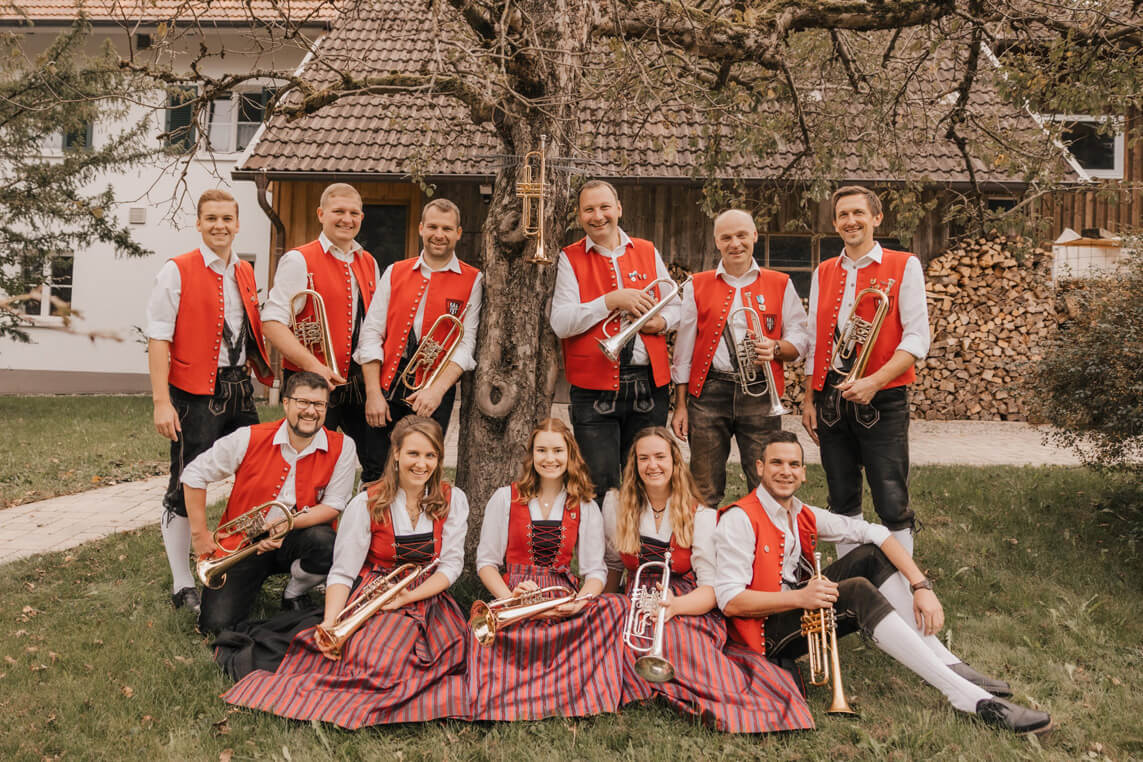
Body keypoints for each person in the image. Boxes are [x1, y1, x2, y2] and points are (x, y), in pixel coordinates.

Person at [713, 430, 1052, 735]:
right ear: (759, 467)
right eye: (776, 463)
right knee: (858, 590)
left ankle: (949, 663)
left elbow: (874, 532)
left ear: (803, 472)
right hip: (763, 635)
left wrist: (921, 586)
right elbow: (731, 601)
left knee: (871, 555)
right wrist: (801, 598)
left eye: (793, 464)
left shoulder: (800, 512)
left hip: (798, 603)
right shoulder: (740, 519)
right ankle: (965, 696)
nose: (785, 471)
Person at [222, 416, 470, 728]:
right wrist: (330, 623)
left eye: (430, 456)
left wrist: (409, 596)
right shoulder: (367, 502)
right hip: (374, 593)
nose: (422, 464)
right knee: (375, 660)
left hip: (429, 596)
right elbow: (342, 571)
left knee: (440, 661)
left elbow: (451, 564)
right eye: (413, 454)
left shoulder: (453, 500)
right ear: (396, 454)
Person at [603, 427, 815, 733]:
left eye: (661, 457)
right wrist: (607, 604)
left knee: (677, 641)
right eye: (644, 458)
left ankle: (734, 702)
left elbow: (711, 589)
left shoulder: (700, 514)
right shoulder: (615, 504)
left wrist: (674, 607)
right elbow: (613, 568)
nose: (653, 465)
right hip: (635, 597)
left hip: (686, 600)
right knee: (608, 627)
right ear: (634, 464)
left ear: (675, 462)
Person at [146, 189, 273, 613]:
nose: (220, 225)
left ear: (237, 224)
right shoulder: (176, 270)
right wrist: (162, 402)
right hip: (194, 393)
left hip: (239, 387)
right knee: (185, 482)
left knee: (255, 474)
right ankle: (183, 583)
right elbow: (158, 338)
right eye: (211, 218)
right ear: (199, 223)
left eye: (227, 218)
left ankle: (237, 564)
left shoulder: (246, 272)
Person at [468, 418, 627, 720]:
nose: (550, 458)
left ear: (570, 455)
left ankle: (561, 693)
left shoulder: (584, 505)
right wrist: (511, 599)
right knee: (481, 632)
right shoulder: (505, 498)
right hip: (514, 595)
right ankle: (555, 691)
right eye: (541, 450)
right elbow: (486, 563)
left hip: (561, 598)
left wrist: (580, 601)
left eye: (558, 450)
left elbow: (595, 571)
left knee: (615, 606)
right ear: (531, 455)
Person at [802, 186, 929, 556]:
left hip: (882, 397)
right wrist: (809, 398)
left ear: (876, 218)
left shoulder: (904, 264)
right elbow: (814, 341)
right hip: (830, 399)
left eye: (858, 213)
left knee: (891, 498)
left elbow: (918, 338)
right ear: (835, 223)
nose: (850, 221)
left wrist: (874, 381)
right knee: (841, 495)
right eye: (842, 215)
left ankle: (904, 588)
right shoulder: (824, 271)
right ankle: (853, 582)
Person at [182, 371, 357, 635]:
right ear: (285, 403)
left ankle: (294, 592)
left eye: (318, 404)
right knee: (216, 626)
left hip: (298, 534)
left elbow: (333, 505)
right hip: (244, 541)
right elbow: (193, 474)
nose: (311, 411)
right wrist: (199, 535)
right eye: (302, 402)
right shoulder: (248, 437)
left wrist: (284, 525)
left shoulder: (343, 446)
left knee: (328, 545)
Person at [550, 180, 680, 501]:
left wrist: (661, 322)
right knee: (600, 485)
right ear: (580, 216)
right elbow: (561, 322)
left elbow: (677, 305)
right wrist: (610, 301)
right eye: (589, 209)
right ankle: (605, 552)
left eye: (604, 207)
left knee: (650, 481)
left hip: (649, 385)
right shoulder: (570, 258)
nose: (598, 216)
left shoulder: (647, 250)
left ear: (618, 209)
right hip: (594, 387)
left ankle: (646, 548)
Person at [671, 209, 809, 507]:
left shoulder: (780, 282)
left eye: (742, 235)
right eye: (726, 237)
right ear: (716, 242)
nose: (735, 243)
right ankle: (704, 550)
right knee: (703, 487)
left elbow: (801, 337)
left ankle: (764, 550)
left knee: (765, 484)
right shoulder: (698, 283)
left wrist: (776, 347)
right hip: (708, 394)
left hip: (760, 394)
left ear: (755, 236)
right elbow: (683, 349)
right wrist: (680, 405)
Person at [261, 183, 385, 481]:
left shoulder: (368, 262)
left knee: (378, 464)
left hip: (357, 384)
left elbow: (375, 327)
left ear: (362, 217)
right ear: (321, 214)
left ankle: (365, 526)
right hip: (311, 383)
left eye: (354, 213)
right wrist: (315, 366)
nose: (347, 219)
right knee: (306, 466)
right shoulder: (299, 259)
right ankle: (307, 526)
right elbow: (272, 324)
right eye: (338, 211)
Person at [356, 198, 483, 467]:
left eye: (447, 229)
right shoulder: (394, 271)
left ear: (458, 233)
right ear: (421, 228)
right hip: (386, 384)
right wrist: (373, 393)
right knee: (376, 468)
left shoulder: (474, 279)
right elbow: (371, 334)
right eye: (433, 227)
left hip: (434, 389)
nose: (439, 235)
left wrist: (436, 391)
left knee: (422, 467)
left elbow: (466, 343)